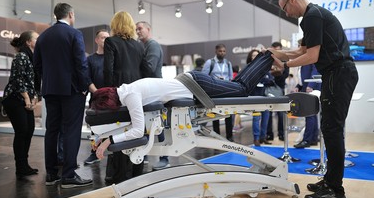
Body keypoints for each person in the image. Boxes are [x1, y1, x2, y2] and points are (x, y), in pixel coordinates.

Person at [94, 50, 277, 158]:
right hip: (192, 82)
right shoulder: (126, 90)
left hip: (195, 84)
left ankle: (267, 57)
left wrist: (109, 140)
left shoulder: (130, 96)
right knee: (240, 88)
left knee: (242, 90)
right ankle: (265, 57)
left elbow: (137, 129)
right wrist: (103, 138)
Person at [271, 0, 359, 198]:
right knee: (329, 129)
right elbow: (301, 51)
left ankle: (335, 190)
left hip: (337, 73)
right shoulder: (314, 15)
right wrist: (273, 54)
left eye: (285, 8)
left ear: (291, 0)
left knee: (332, 129)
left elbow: (311, 56)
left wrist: (284, 64)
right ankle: (330, 181)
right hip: (338, 73)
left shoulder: (311, 17)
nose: (287, 13)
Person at [33, 3, 92, 188]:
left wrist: (43, 84)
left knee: (52, 130)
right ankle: (68, 175)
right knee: (71, 130)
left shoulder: (43, 36)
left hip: (50, 90)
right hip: (71, 90)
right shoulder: (75, 34)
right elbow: (80, 63)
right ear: (71, 15)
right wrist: (84, 86)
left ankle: (51, 174)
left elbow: (37, 65)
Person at [103, 11, 148, 184]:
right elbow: (146, 71)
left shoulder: (111, 42)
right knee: (138, 130)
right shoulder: (139, 46)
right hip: (138, 93)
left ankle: (120, 176)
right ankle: (137, 173)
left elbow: (108, 70)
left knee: (121, 131)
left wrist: (107, 93)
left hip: (120, 93)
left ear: (115, 25)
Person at [2, 30, 40, 178]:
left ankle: (24, 165)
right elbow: (18, 80)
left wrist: (35, 97)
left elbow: (34, 82)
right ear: (28, 42)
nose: (39, 41)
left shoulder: (32, 57)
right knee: (22, 130)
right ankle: (20, 166)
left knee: (29, 129)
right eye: (36, 39)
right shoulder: (21, 56)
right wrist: (26, 99)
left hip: (26, 98)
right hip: (14, 98)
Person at [136, 20, 168, 171]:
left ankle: (164, 157)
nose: (138, 31)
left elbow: (149, 68)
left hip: (154, 90)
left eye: (140, 28)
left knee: (157, 124)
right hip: (148, 89)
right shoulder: (145, 46)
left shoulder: (153, 45)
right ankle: (147, 154)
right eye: (136, 29)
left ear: (148, 29)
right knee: (147, 123)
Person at [83, 29, 110, 165]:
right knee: (95, 127)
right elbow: (87, 79)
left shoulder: (112, 58)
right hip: (96, 97)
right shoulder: (90, 59)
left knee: (113, 125)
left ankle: (113, 152)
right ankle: (94, 153)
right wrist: (97, 92)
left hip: (112, 98)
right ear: (97, 40)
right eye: (103, 37)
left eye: (107, 37)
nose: (105, 40)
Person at [202, 44, 234, 141]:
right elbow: (204, 77)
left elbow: (231, 77)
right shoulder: (210, 63)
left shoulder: (228, 63)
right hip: (214, 92)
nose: (222, 53)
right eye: (220, 51)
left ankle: (230, 137)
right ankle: (217, 137)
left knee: (229, 114)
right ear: (216, 51)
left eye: (224, 51)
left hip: (226, 91)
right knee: (215, 115)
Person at [246, 49, 273, 146]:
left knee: (266, 117)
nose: (255, 57)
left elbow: (270, 80)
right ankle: (256, 138)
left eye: (257, 55)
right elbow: (249, 80)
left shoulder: (264, 67)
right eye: (253, 55)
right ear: (250, 57)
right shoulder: (248, 67)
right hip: (254, 97)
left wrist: (262, 79)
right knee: (256, 118)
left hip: (265, 96)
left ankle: (263, 137)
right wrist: (262, 79)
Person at [293, 64, 321, 148]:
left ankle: (307, 140)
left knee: (309, 115)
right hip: (306, 88)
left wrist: (310, 85)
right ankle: (313, 139)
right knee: (312, 115)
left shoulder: (310, 59)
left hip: (311, 89)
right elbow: (303, 77)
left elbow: (315, 71)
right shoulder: (302, 63)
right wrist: (298, 86)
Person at [267, 41, 289, 141]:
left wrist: (277, 72)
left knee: (280, 113)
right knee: (268, 112)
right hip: (269, 89)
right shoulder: (267, 60)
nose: (277, 52)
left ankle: (281, 134)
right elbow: (266, 75)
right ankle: (269, 134)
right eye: (275, 50)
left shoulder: (284, 61)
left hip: (280, 89)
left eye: (279, 50)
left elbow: (285, 75)